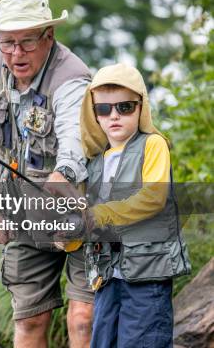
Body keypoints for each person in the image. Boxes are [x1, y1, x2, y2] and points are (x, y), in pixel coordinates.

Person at [0, 0, 94, 347]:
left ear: (48, 36)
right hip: (24, 208)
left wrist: (64, 175)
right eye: (7, 42)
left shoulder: (71, 77)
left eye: (26, 41)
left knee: (83, 319)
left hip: (82, 208)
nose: (16, 53)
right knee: (29, 319)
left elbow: (75, 137)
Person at [79, 63, 191, 347]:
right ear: (94, 114)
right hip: (107, 277)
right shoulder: (94, 162)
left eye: (125, 107)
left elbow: (153, 198)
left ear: (141, 107)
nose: (113, 115)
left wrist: (99, 214)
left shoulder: (153, 145)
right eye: (103, 109)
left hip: (148, 275)